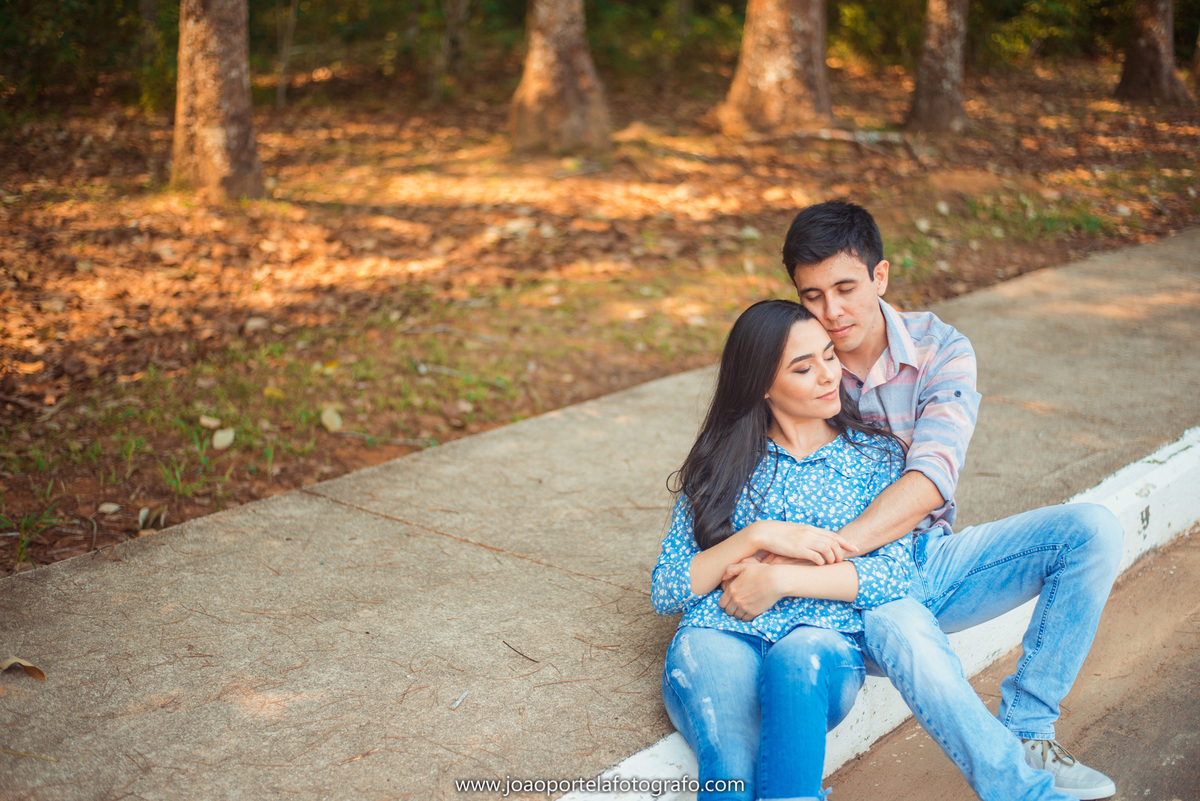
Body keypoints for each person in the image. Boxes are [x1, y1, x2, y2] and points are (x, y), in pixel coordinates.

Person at [771, 200, 1124, 801]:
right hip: (843, 591)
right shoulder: (794, 361)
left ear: (880, 277)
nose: (831, 313)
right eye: (812, 296)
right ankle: (1015, 788)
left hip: (924, 557)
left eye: (846, 289)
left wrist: (838, 548)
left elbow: (933, 478)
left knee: (1092, 531)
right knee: (901, 621)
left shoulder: (941, 349)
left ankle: (1028, 730)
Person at [651, 298, 911, 801]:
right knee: (733, 773)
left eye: (829, 355)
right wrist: (756, 535)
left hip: (821, 639)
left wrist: (783, 578)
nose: (828, 374)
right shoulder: (723, 464)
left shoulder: (875, 457)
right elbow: (667, 589)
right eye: (803, 367)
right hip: (720, 634)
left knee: (798, 662)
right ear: (763, 385)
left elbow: (897, 575)